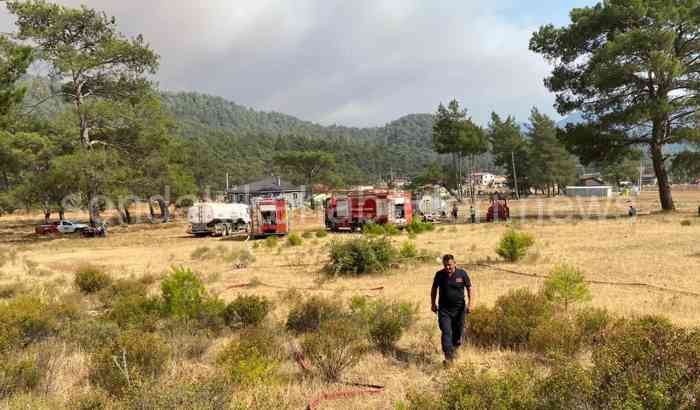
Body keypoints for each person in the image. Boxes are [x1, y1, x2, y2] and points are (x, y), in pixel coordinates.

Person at [431, 254, 474, 365]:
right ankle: (448, 359)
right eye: (445, 265)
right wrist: (433, 303)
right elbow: (434, 289)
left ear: (455, 263)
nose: (447, 268)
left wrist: (471, 304)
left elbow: (469, 288)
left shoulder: (462, 274)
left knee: (458, 334)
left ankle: (454, 350)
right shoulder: (439, 275)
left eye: (449, 265)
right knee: (446, 332)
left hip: (459, 310)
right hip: (444, 310)